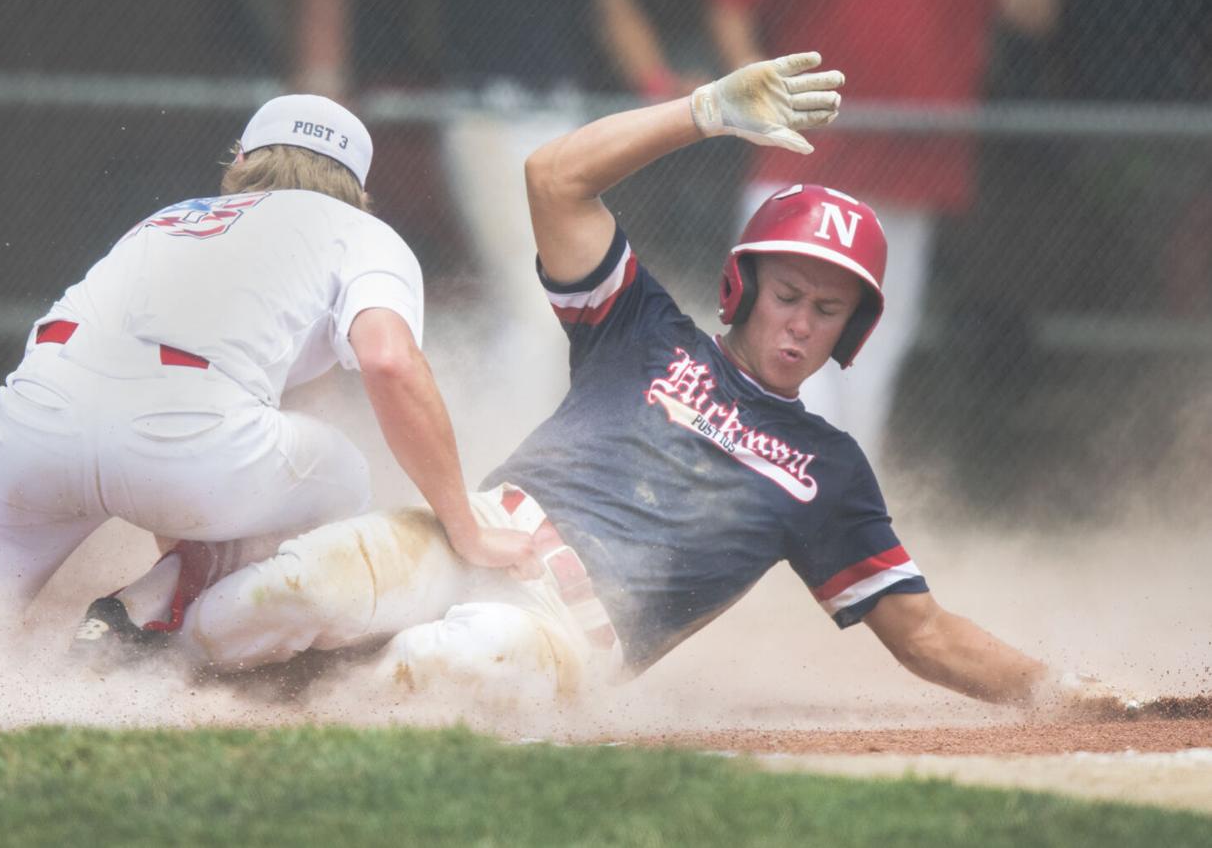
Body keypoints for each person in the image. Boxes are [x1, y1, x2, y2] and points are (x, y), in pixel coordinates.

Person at [63, 54, 1127, 715]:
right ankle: (115, 677)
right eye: (790, 293)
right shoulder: (642, 331)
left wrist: (1058, 694)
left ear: (853, 330)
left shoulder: (828, 469)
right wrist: (704, 109)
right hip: (478, 531)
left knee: (428, 672)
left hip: (568, 632)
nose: (803, 322)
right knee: (271, 601)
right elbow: (552, 178)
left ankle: (271, 732)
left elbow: (923, 631)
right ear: (743, 286)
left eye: (829, 307)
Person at [0, 93, 538, 691]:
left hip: (39, 417)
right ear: (356, 188)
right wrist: (463, 524)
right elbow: (391, 362)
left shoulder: (169, 217)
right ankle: (138, 617)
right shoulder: (362, 234)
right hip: (189, 437)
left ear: (243, 159)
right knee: (342, 475)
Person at [705, 0, 1060, 460]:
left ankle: (833, 502)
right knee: (787, 339)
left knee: (873, 347)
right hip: (803, 163)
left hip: (913, 169)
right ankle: (794, 493)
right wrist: (756, 91)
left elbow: (1034, 11)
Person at [432, 0, 695, 435]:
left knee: (569, 302)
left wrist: (660, 86)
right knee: (535, 306)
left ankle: (521, 450)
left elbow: (612, 3)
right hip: (487, 111)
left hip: (562, 117)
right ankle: (490, 457)